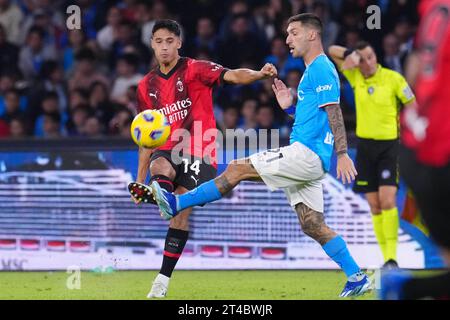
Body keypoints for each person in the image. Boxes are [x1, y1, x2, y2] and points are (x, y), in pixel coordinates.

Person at [149, 14, 371, 298]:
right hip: (309, 157)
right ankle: (357, 277)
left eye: (293, 33)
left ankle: (176, 202)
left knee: (238, 168)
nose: (288, 39)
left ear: (312, 35)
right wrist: (290, 108)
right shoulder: (311, 72)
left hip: (306, 154)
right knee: (312, 224)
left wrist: (343, 153)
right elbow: (315, 118)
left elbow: (334, 113)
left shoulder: (321, 68)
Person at [132, 19, 277, 298]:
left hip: (202, 149)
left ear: (179, 43)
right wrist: (139, 182)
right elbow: (145, 139)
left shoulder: (196, 69)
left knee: (180, 216)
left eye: (169, 41)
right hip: (169, 148)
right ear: (151, 43)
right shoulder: (145, 86)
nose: (164, 47)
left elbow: (233, 75)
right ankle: (162, 195)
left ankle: (163, 278)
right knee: (160, 164)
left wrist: (259, 75)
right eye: (158, 41)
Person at [381, 0, 450, 300]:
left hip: (415, 143)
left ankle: (403, 290)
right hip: (440, 150)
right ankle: (405, 289)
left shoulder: (435, 6)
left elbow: (416, 63)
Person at [328, 41, 417, 269]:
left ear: (376, 56)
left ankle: (392, 258)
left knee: (388, 201)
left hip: (390, 148)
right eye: (364, 58)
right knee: (375, 206)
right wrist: (351, 55)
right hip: (366, 150)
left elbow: (413, 105)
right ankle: (386, 257)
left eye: (371, 56)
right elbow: (331, 51)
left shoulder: (393, 79)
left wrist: (411, 132)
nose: (368, 62)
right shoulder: (355, 76)